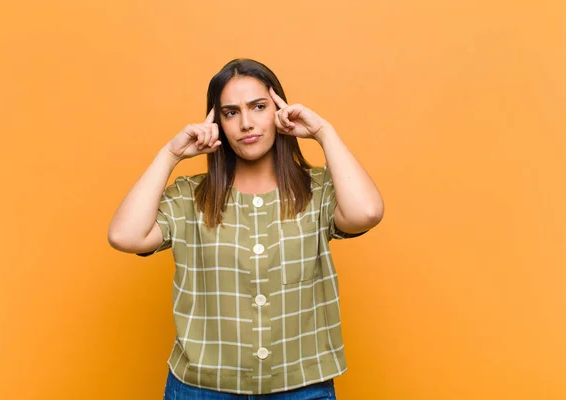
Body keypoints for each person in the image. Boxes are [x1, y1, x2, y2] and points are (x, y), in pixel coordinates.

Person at [108, 58, 384, 399]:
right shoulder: (189, 198)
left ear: (279, 110)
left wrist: (324, 133)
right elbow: (125, 235)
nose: (246, 123)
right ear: (219, 123)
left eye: (258, 107)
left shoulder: (319, 191)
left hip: (301, 387)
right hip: (203, 388)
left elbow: (367, 212)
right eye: (230, 112)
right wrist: (170, 154)